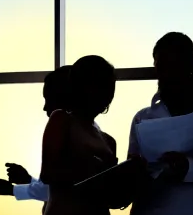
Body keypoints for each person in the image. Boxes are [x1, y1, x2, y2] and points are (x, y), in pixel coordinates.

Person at [127, 32, 193, 215]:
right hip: (150, 208)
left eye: (175, 65)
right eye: (162, 66)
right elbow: (131, 175)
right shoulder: (142, 118)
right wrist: (137, 171)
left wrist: (189, 167)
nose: (168, 74)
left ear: (189, 67)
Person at [41, 56, 131, 215]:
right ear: (82, 86)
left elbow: (113, 199)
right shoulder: (61, 120)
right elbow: (48, 173)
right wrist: (95, 171)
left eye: (111, 89)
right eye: (103, 86)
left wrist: (132, 179)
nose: (108, 96)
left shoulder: (109, 141)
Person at [0, 66, 81, 203]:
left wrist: (12, 190)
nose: (45, 107)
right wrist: (28, 180)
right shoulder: (92, 134)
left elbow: (59, 192)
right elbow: (57, 187)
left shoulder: (70, 133)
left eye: (48, 99)